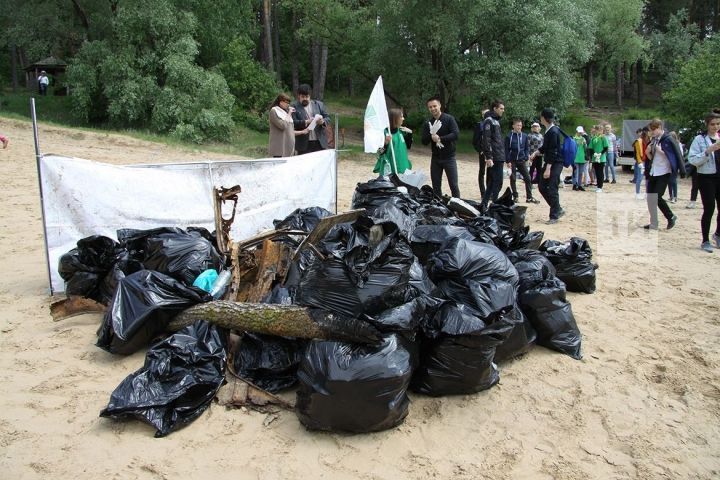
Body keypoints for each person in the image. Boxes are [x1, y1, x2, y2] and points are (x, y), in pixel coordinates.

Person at [644, 118, 686, 230]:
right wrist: (648, 153)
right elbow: (652, 158)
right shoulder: (654, 140)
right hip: (654, 171)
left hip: (664, 171)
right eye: (650, 130)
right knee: (650, 198)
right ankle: (654, 222)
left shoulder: (668, 139)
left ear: (659, 128)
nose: (651, 132)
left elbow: (673, 156)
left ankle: (670, 216)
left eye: (653, 130)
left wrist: (658, 150)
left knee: (657, 196)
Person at [688, 111, 720, 252]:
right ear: (707, 124)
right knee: (709, 209)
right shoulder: (699, 139)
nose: (715, 127)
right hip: (706, 177)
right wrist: (708, 151)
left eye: (718, 124)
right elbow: (693, 160)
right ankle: (705, 240)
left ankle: (717, 234)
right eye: (712, 124)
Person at [529, 108, 564, 224]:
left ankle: (554, 216)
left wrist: (548, 168)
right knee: (542, 186)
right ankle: (557, 208)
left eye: (541, 116)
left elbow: (553, 151)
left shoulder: (553, 131)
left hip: (555, 163)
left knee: (552, 188)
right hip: (550, 162)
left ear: (544, 118)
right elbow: (546, 148)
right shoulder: (549, 130)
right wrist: (536, 152)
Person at [421, 96, 460, 197]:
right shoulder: (428, 123)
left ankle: (458, 207)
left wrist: (440, 138)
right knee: (436, 186)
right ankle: (439, 208)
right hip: (436, 158)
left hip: (449, 157)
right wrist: (431, 136)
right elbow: (424, 141)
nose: (433, 109)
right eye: (430, 107)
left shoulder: (449, 119)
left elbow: (455, 134)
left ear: (440, 106)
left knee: (454, 185)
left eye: (435, 106)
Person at [480, 100, 506, 209]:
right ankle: (495, 204)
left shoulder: (496, 121)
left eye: (503, 109)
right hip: (494, 156)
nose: (503, 111)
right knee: (498, 181)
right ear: (495, 108)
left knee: (492, 182)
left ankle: (484, 203)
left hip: (500, 155)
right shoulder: (489, 121)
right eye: (501, 108)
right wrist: (489, 156)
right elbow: (486, 140)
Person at [505, 118, 539, 203]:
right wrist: (508, 161)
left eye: (520, 125)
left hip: (521, 160)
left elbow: (526, 148)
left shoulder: (524, 136)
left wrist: (526, 157)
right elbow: (506, 149)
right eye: (517, 125)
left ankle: (529, 197)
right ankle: (515, 196)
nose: (519, 127)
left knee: (528, 178)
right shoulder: (509, 136)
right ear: (513, 126)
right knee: (513, 178)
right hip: (512, 160)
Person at [291, 84, 331, 155]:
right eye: (302, 97)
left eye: (307, 96)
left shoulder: (319, 105)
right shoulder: (294, 107)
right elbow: (292, 122)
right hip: (303, 143)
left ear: (310, 96)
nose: (305, 99)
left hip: (319, 141)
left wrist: (322, 122)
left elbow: (328, 118)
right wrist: (306, 122)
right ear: (298, 96)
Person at [373, 108, 413, 175]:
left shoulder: (401, 131)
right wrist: (385, 143)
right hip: (390, 168)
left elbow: (408, 147)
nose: (403, 119)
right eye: (401, 117)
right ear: (395, 119)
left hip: (402, 167)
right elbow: (380, 152)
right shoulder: (384, 132)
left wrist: (410, 134)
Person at [268, 93, 307, 157]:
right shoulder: (274, 111)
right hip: (280, 149)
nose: (288, 105)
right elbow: (283, 126)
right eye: (286, 102)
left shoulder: (285, 113)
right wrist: (289, 113)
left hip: (289, 148)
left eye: (289, 103)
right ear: (281, 102)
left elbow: (290, 132)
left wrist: (303, 131)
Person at [472, 109, 490, 197]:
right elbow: (475, 141)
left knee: (490, 173)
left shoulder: (493, 124)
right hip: (483, 152)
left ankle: (489, 192)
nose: (485, 115)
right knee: (482, 171)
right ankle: (483, 192)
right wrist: (480, 150)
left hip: (492, 153)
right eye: (483, 114)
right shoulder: (479, 125)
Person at [588, 125, 608, 193]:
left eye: (600, 130)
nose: (599, 131)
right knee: (596, 172)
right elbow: (590, 147)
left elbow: (606, 147)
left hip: (601, 158)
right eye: (597, 130)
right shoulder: (594, 138)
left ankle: (600, 186)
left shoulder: (603, 138)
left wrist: (600, 154)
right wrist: (594, 154)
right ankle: (598, 185)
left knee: (600, 172)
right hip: (595, 157)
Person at [667, 131, 683, 203]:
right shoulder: (668, 144)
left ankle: (675, 196)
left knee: (673, 181)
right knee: (669, 181)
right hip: (669, 164)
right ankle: (671, 196)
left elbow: (680, 155)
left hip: (675, 165)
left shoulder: (678, 144)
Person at [572, 126, 588, 191]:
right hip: (575, 158)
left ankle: (579, 185)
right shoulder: (573, 139)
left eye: (581, 132)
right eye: (579, 132)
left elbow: (585, 148)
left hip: (582, 158)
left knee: (581, 172)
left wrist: (585, 144)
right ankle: (574, 185)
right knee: (576, 172)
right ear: (577, 131)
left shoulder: (583, 139)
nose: (580, 133)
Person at [631, 128, 645, 199]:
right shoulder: (638, 141)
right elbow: (637, 154)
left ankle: (644, 193)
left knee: (645, 178)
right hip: (641, 161)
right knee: (639, 178)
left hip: (644, 161)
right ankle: (637, 193)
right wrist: (639, 162)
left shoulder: (647, 140)